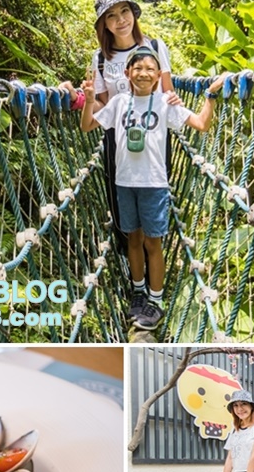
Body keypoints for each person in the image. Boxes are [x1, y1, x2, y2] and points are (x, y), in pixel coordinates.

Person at [81, 48, 226, 330]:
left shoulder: (164, 102)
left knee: (153, 243)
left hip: (154, 183)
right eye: (137, 68)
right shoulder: (119, 102)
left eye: (150, 69)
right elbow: (87, 126)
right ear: (127, 74)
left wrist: (210, 96)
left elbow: (201, 124)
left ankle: (155, 301)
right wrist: (88, 100)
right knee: (133, 239)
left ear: (159, 76)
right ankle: (138, 293)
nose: (143, 73)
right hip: (124, 182)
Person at [65, 0, 181, 318]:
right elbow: (101, 105)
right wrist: (78, 99)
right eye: (112, 16)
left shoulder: (155, 49)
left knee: (153, 217)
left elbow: (168, 94)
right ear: (104, 24)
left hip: (155, 140)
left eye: (124, 11)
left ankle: (153, 291)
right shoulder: (100, 59)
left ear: (134, 12)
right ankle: (138, 288)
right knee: (127, 222)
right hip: (119, 141)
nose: (121, 20)